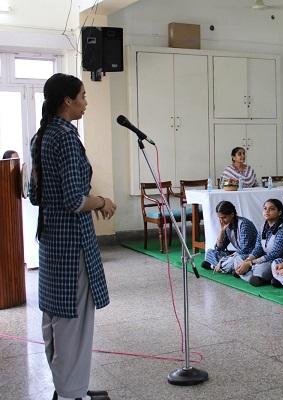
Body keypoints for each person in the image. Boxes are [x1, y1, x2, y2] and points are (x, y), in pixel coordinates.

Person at [29, 73, 117, 400]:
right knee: (74, 324)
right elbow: (74, 200)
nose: (86, 102)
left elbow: (34, 195)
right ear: (67, 100)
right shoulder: (66, 136)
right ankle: (71, 394)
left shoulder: (40, 137)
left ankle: (67, 387)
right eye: (82, 96)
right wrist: (103, 202)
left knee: (55, 317)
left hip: (50, 239)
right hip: (72, 242)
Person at [235, 199, 283, 287]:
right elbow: (258, 248)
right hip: (264, 259)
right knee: (238, 259)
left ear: (279, 212)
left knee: (262, 269)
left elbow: (274, 254)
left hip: (279, 261)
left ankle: (249, 275)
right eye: (265, 208)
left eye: (271, 209)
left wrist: (250, 264)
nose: (267, 211)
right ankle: (255, 277)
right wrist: (247, 261)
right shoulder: (263, 227)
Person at [202, 201, 258, 273]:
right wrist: (222, 231)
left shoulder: (244, 225)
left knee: (237, 259)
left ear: (232, 214)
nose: (221, 221)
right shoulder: (227, 225)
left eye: (224, 217)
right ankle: (232, 268)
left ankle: (214, 266)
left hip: (248, 255)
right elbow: (219, 248)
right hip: (236, 255)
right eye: (219, 218)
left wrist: (224, 260)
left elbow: (244, 250)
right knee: (209, 252)